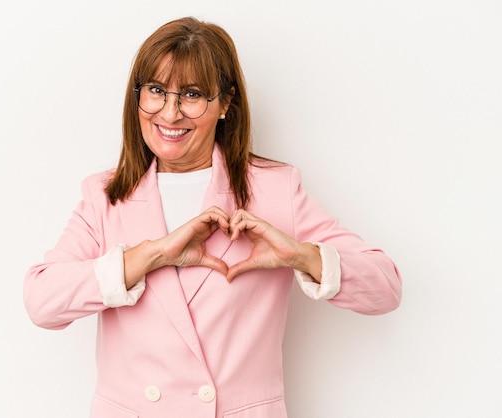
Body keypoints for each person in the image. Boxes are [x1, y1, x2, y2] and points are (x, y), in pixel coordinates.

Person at [23, 16, 402, 418]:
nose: (169, 114)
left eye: (191, 94)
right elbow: (42, 302)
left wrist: (300, 255)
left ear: (225, 103)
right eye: (155, 91)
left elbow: (386, 287)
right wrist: (150, 255)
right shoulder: (105, 196)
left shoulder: (273, 190)